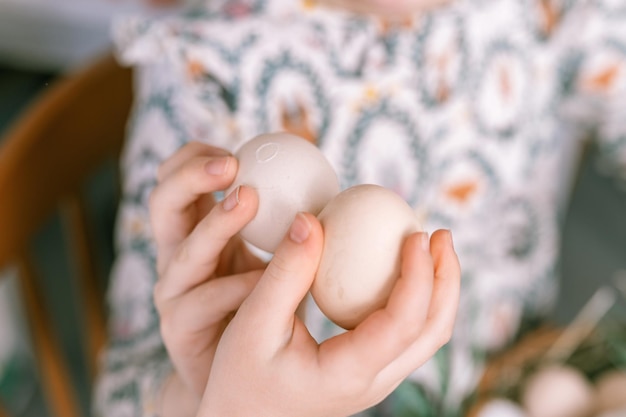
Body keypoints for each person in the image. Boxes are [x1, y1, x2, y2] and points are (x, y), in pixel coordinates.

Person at [94, 0, 626, 415]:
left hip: (507, 383)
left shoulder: (548, 14)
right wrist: (218, 397)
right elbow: (123, 394)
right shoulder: (204, 68)